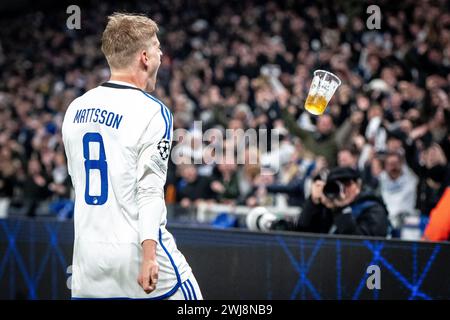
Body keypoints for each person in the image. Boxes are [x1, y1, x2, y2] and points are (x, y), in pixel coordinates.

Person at [62, 13, 202, 300]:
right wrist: (149, 256)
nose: (161, 55)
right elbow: (149, 191)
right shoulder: (152, 111)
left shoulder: (75, 108)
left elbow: (76, 180)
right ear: (144, 58)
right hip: (135, 253)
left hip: (86, 261)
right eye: (157, 48)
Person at [295, 167, 390, 237]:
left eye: (347, 184)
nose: (343, 190)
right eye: (337, 185)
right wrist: (312, 203)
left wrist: (340, 209)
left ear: (358, 184)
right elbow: (302, 232)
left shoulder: (373, 209)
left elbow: (361, 247)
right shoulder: (328, 205)